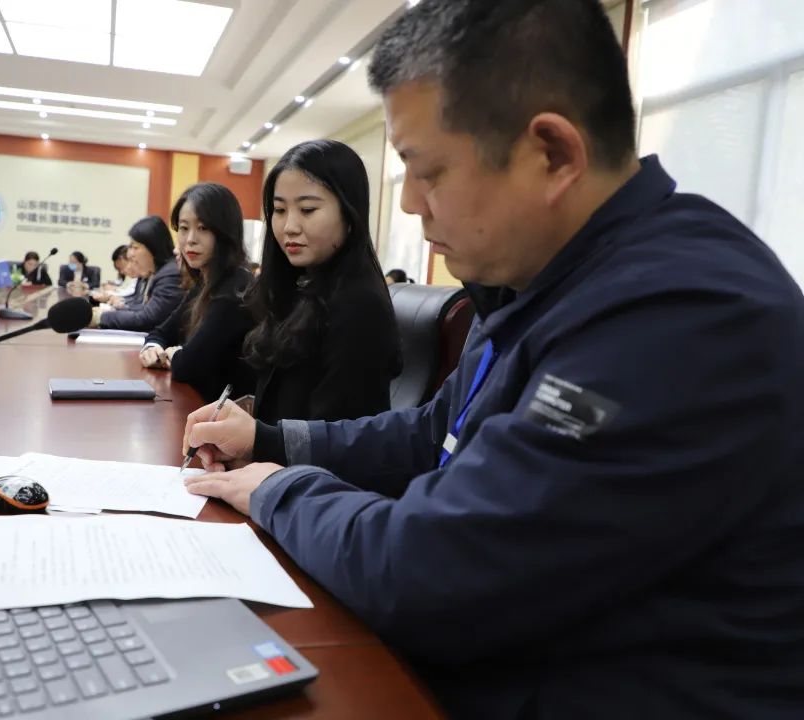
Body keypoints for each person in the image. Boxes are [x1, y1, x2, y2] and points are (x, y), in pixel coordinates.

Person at [180, 1, 804, 719]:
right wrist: (270, 442)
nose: (410, 204)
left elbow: (433, 574)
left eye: (428, 171)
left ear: (553, 154)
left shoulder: (682, 311)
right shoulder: (532, 282)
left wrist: (276, 492)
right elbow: (432, 434)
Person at [240, 139, 401, 424]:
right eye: (279, 210)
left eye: (308, 210)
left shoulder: (359, 305)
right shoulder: (298, 287)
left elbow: (336, 439)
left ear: (350, 215)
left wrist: (258, 444)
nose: (289, 226)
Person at [141, 183, 256, 402]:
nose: (190, 239)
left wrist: (176, 355)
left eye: (203, 228)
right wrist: (153, 348)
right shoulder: (206, 282)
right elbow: (161, 332)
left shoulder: (236, 287)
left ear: (225, 232)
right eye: (183, 228)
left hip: (224, 420)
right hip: (197, 404)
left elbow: (188, 366)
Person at [85, 215, 184, 331]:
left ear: (153, 247)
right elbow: (143, 309)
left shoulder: (170, 275)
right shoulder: (160, 272)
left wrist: (101, 317)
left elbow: (148, 319)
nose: (130, 254)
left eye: (135, 247)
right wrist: (112, 312)